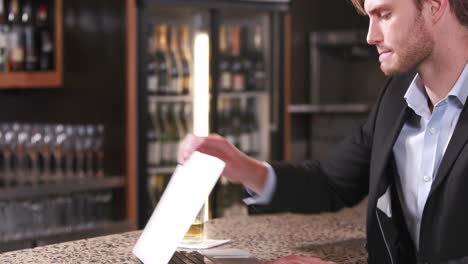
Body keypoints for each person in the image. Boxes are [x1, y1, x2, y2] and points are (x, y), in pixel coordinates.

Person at [178, 0, 468, 262]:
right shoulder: (397, 95)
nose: (371, 36)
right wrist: (245, 168)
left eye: (385, 14)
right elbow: (332, 181)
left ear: (434, 6)